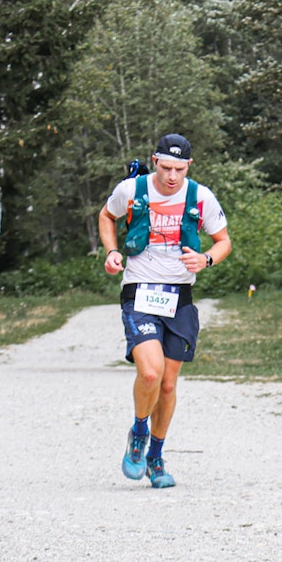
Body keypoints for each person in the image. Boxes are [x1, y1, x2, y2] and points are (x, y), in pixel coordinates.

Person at [98, 133, 230, 489]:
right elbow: (106, 216)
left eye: (180, 169)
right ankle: (138, 431)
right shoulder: (131, 189)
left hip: (180, 296)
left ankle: (156, 458)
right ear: (154, 160)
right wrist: (111, 252)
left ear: (189, 166)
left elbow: (224, 241)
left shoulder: (200, 196)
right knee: (152, 373)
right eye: (166, 167)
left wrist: (205, 260)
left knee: (169, 386)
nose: (172, 176)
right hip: (139, 290)